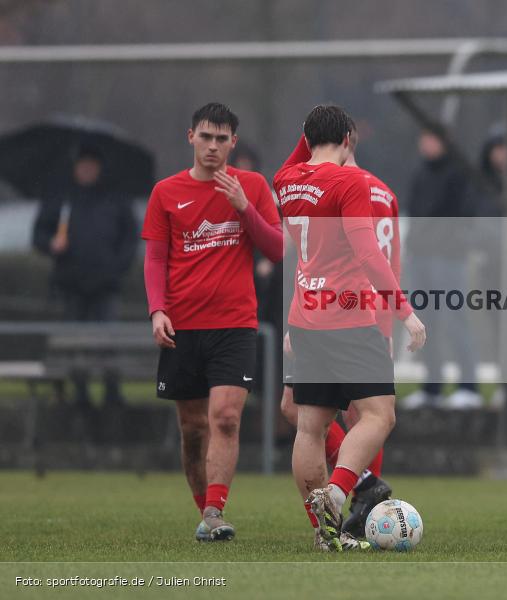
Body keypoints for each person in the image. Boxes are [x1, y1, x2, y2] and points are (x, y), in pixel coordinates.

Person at [274, 104, 425, 552]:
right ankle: (339, 494)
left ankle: (325, 535)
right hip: (348, 317)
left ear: (306, 137)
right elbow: (367, 253)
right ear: (347, 139)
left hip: (305, 317)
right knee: (380, 415)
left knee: (310, 427)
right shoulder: (350, 181)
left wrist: (312, 130)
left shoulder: (286, 181)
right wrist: (404, 312)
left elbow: (294, 158)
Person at [141, 103, 282, 542]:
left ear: (233, 143)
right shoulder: (166, 191)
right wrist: (157, 309)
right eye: (206, 137)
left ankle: (216, 510)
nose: (213, 146)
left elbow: (277, 249)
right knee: (193, 427)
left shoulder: (254, 186)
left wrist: (243, 207)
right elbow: (156, 257)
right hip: (183, 327)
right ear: (191, 138)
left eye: (222, 139)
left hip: (235, 325)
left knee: (224, 417)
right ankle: (206, 510)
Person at [32, 144, 138, 407]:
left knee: (108, 341)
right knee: (74, 341)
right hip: (71, 284)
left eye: (92, 166)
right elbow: (39, 234)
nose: (87, 171)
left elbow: (130, 238)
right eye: (83, 165)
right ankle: (79, 391)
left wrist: (117, 267)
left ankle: (112, 390)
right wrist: (51, 244)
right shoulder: (61, 197)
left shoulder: (116, 198)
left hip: (106, 284)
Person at [402, 124, 481, 410]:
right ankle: (432, 387)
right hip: (421, 257)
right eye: (424, 138)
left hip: (449, 259)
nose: (427, 144)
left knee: (455, 319)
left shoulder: (458, 173)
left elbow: (465, 216)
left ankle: (468, 385)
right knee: (424, 323)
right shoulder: (420, 172)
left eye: (432, 138)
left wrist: (445, 241)